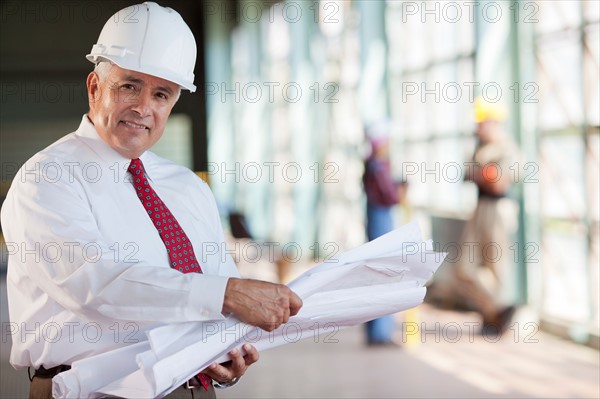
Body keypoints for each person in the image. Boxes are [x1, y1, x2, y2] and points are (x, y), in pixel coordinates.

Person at [0, 3, 302, 399]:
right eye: (129, 86)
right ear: (95, 87)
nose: (144, 108)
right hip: (94, 391)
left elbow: (218, 292)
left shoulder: (186, 188)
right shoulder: (48, 179)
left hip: (194, 387)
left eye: (161, 94)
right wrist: (227, 294)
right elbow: (95, 284)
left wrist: (230, 347)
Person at [453, 98, 519, 336]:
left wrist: (480, 174)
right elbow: (469, 175)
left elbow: (498, 184)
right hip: (480, 207)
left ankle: (493, 317)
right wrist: (484, 174)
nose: (478, 128)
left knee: (495, 267)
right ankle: (496, 310)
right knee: (464, 268)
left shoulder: (507, 148)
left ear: (493, 122)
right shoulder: (479, 147)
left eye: (481, 123)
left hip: (498, 210)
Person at [362, 120, 407, 346]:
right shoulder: (378, 167)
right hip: (381, 223)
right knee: (384, 275)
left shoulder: (372, 165)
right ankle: (380, 333)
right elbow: (391, 197)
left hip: (376, 221)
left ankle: (377, 330)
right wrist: (401, 189)